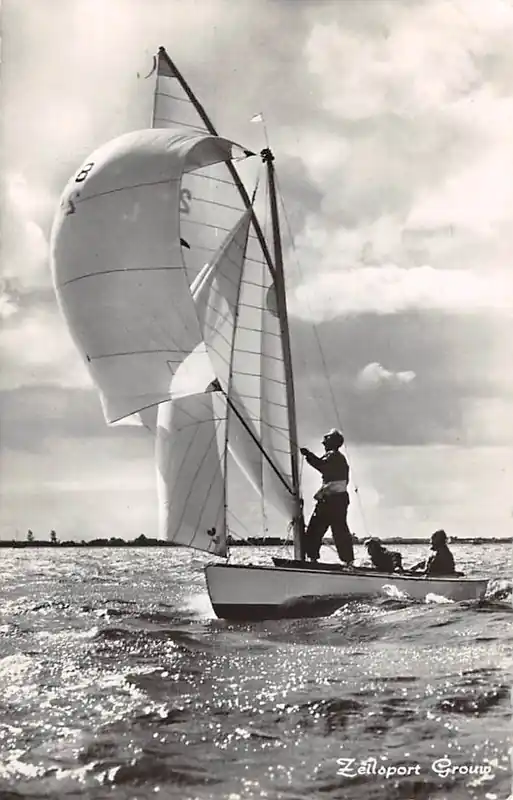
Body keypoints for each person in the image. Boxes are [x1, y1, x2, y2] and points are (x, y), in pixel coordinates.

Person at [300, 429, 354, 565]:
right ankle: (348, 561)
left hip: (331, 500)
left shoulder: (333, 456)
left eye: (326, 439)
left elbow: (321, 465)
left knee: (316, 529)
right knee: (339, 530)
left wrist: (308, 455)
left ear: (333, 442)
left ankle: (313, 559)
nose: (323, 442)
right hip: (338, 499)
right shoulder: (337, 456)